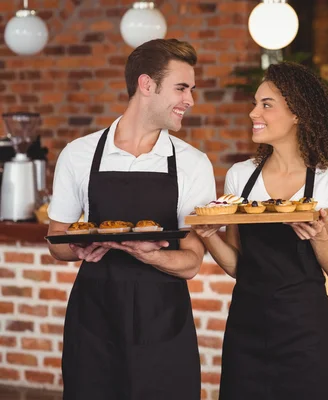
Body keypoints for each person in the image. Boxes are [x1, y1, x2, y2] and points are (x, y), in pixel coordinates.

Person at [46, 39, 215, 400]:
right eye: (181, 88)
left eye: (192, 89)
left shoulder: (192, 164)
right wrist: (77, 250)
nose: (190, 100)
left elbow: (191, 262)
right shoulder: (78, 155)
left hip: (163, 320)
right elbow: (56, 239)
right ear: (146, 85)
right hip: (94, 319)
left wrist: (150, 255)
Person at [193, 61, 328, 400]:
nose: (254, 112)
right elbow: (239, 266)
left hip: (306, 333)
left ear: (298, 114)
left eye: (266, 105)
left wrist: (318, 235)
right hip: (246, 330)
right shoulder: (241, 176)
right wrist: (209, 236)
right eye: (255, 103)